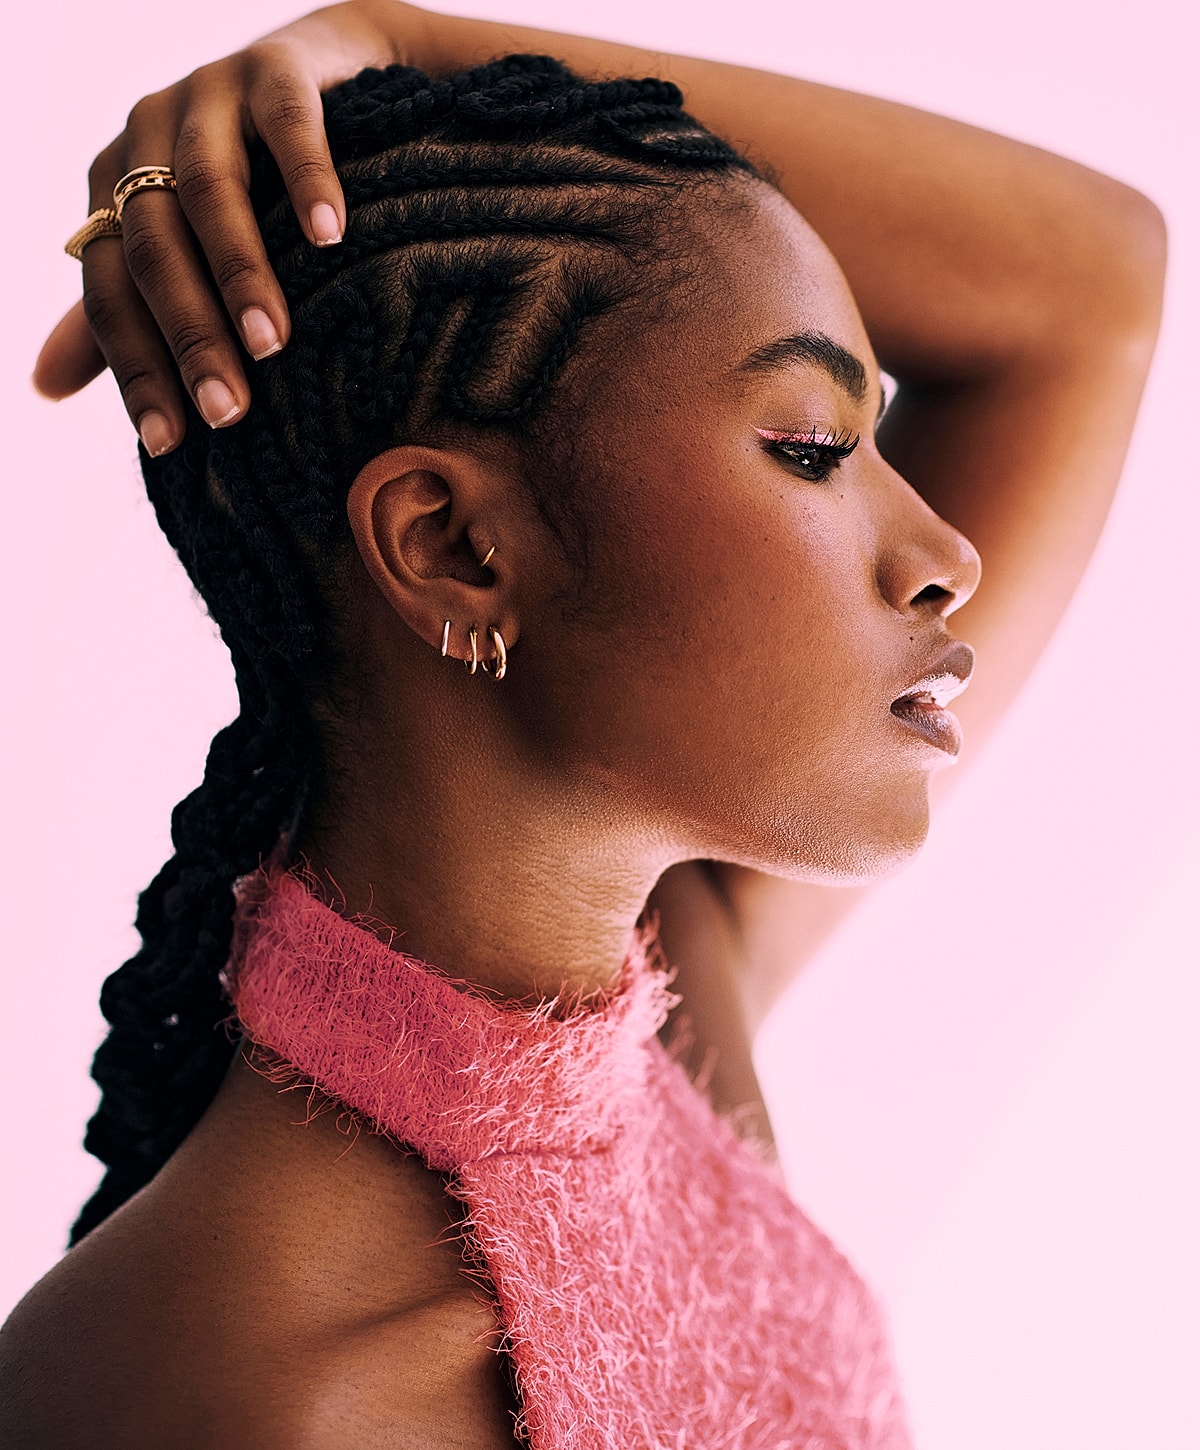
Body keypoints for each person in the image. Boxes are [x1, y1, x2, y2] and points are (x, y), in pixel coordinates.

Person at [2, 3, 1165, 1446]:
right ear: (451, 545)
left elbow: (1089, 285)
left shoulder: (667, 1024)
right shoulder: (240, 1389)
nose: (946, 552)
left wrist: (396, 41)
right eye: (813, 447)